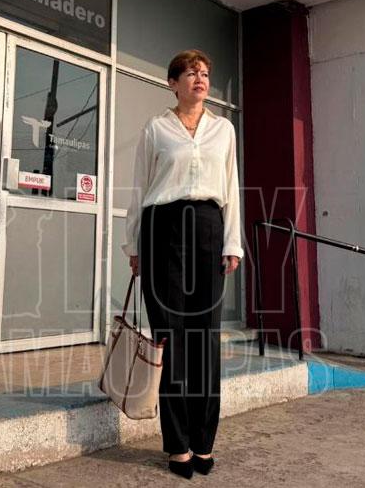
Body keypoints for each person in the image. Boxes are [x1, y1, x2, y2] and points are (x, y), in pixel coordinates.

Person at [122, 49, 242, 479]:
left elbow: (231, 186)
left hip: (208, 227)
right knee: (169, 336)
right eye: (191, 73)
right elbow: (139, 188)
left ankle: (204, 440)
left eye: (205, 73)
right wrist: (133, 244)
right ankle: (177, 446)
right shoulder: (156, 128)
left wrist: (232, 242)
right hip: (162, 229)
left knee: (204, 339)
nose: (200, 78)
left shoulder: (223, 129)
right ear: (173, 83)